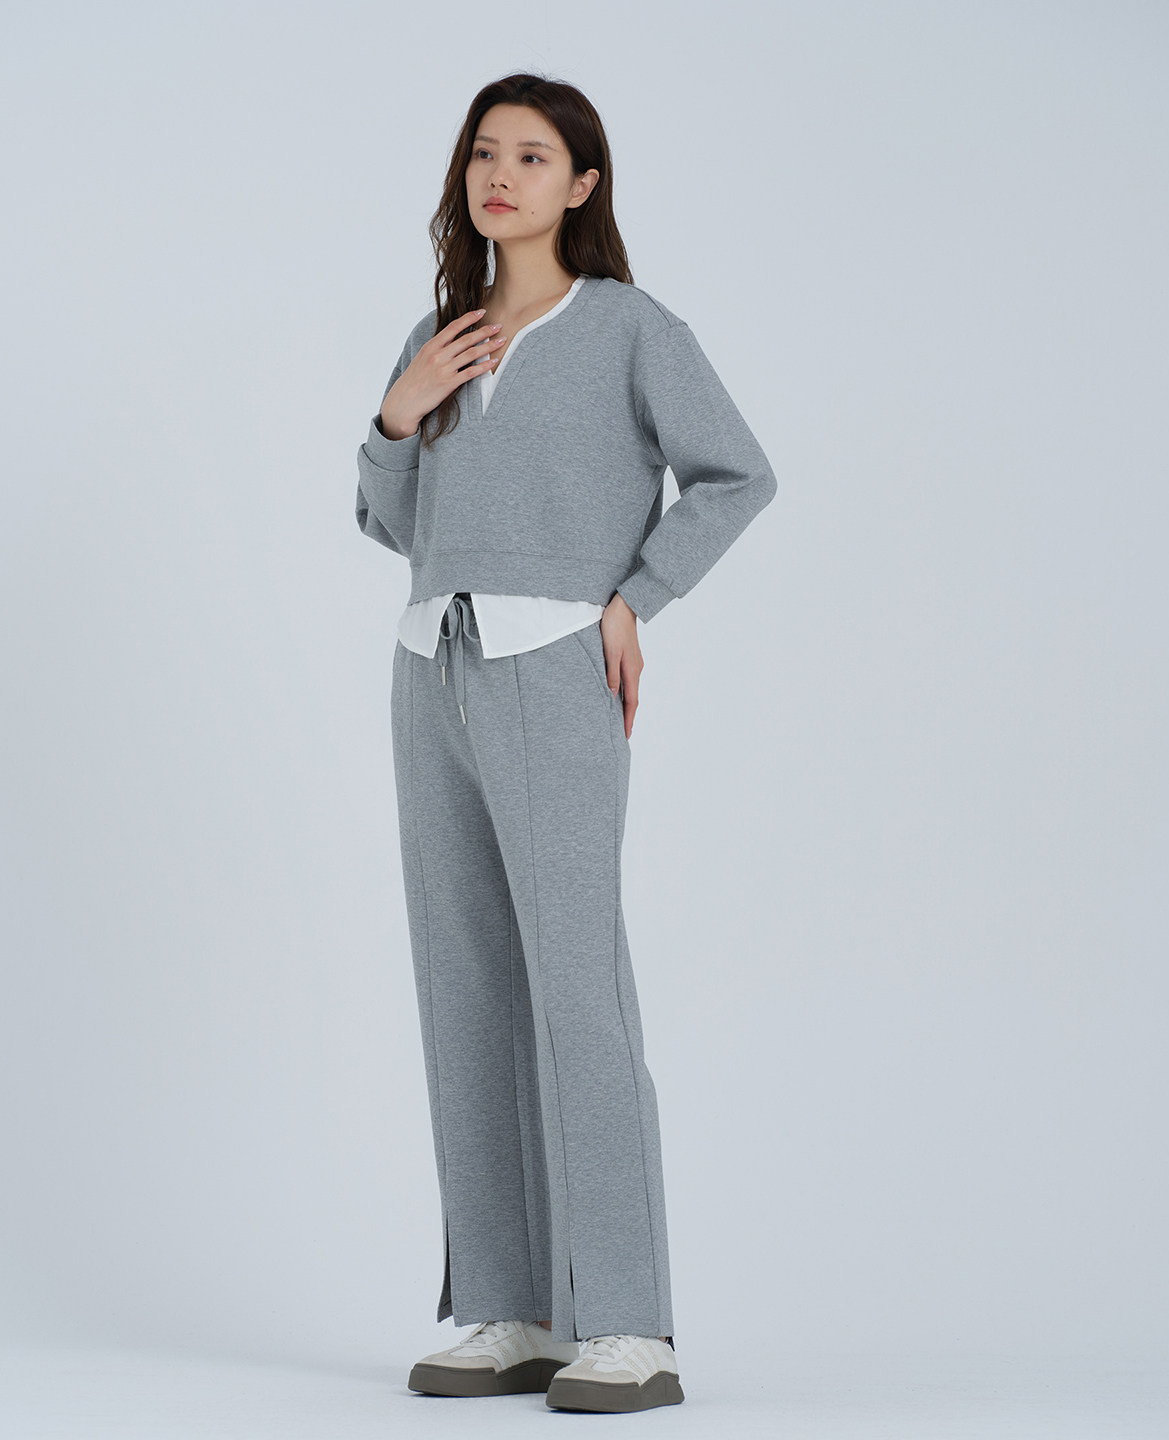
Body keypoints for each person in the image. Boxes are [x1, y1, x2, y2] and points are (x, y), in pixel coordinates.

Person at [354, 71, 777, 1415]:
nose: (502, 174)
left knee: (577, 990)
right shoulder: (444, 333)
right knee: (462, 986)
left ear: (582, 183)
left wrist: (635, 600)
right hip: (431, 663)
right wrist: (397, 416)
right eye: (486, 151)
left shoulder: (630, 328)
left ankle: (630, 1324)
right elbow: (396, 527)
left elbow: (738, 474)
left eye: (533, 155)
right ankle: (510, 1307)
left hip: (553, 665)